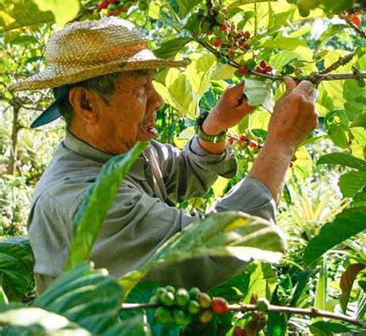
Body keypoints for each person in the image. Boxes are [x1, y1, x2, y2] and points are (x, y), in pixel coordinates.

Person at [13, 18, 318, 293]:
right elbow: (214, 247)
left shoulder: (126, 152)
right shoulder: (85, 200)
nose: (157, 100)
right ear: (86, 104)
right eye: (140, 87)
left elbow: (185, 170)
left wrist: (214, 127)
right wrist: (281, 144)